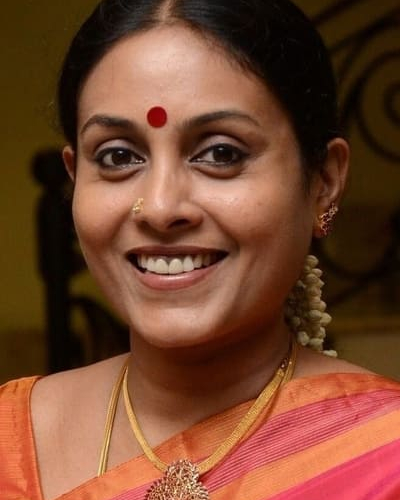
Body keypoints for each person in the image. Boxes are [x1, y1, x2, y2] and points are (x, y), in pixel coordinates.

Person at [1, 0, 399, 499]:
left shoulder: (384, 459)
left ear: (324, 181)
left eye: (221, 153)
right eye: (118, 156)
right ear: (74, 179)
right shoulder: (9, 442)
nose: (160, 207)